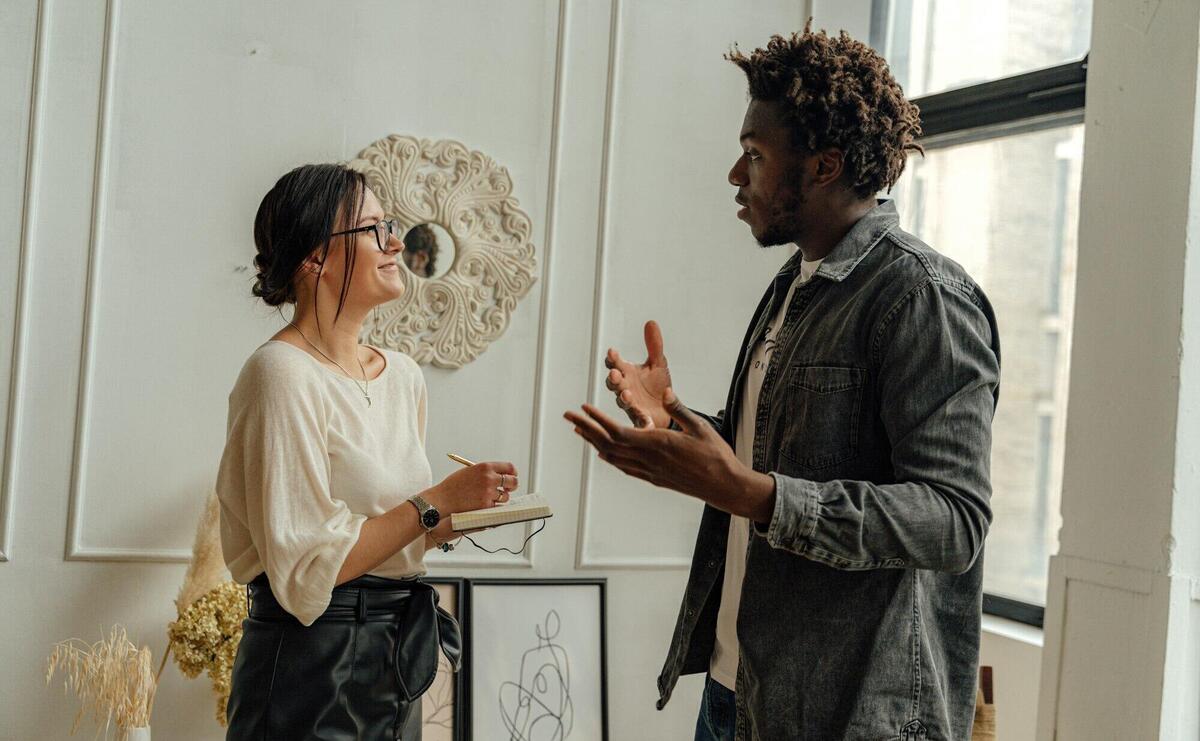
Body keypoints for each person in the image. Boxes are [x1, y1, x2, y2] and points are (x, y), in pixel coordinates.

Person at [564, 25, 1000, 740]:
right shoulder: (793, 286)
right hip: (741, 691)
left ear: (824, 166)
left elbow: (952, 520)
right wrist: (673, 423)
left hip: (850, 714)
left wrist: (748, 492)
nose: (737, 176)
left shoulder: (923, 297)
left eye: (754, 155)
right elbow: (777, 461)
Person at [217, 163, 519, 739]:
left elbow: (386, 532)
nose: (396, 242)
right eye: (374, 229)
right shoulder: (279, 373)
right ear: (314, 257)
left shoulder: (402, 375)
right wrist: (432, 504)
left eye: (391, 225)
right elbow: (308, 571)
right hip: (312, 661)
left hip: (395, 655)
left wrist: (454, 513)